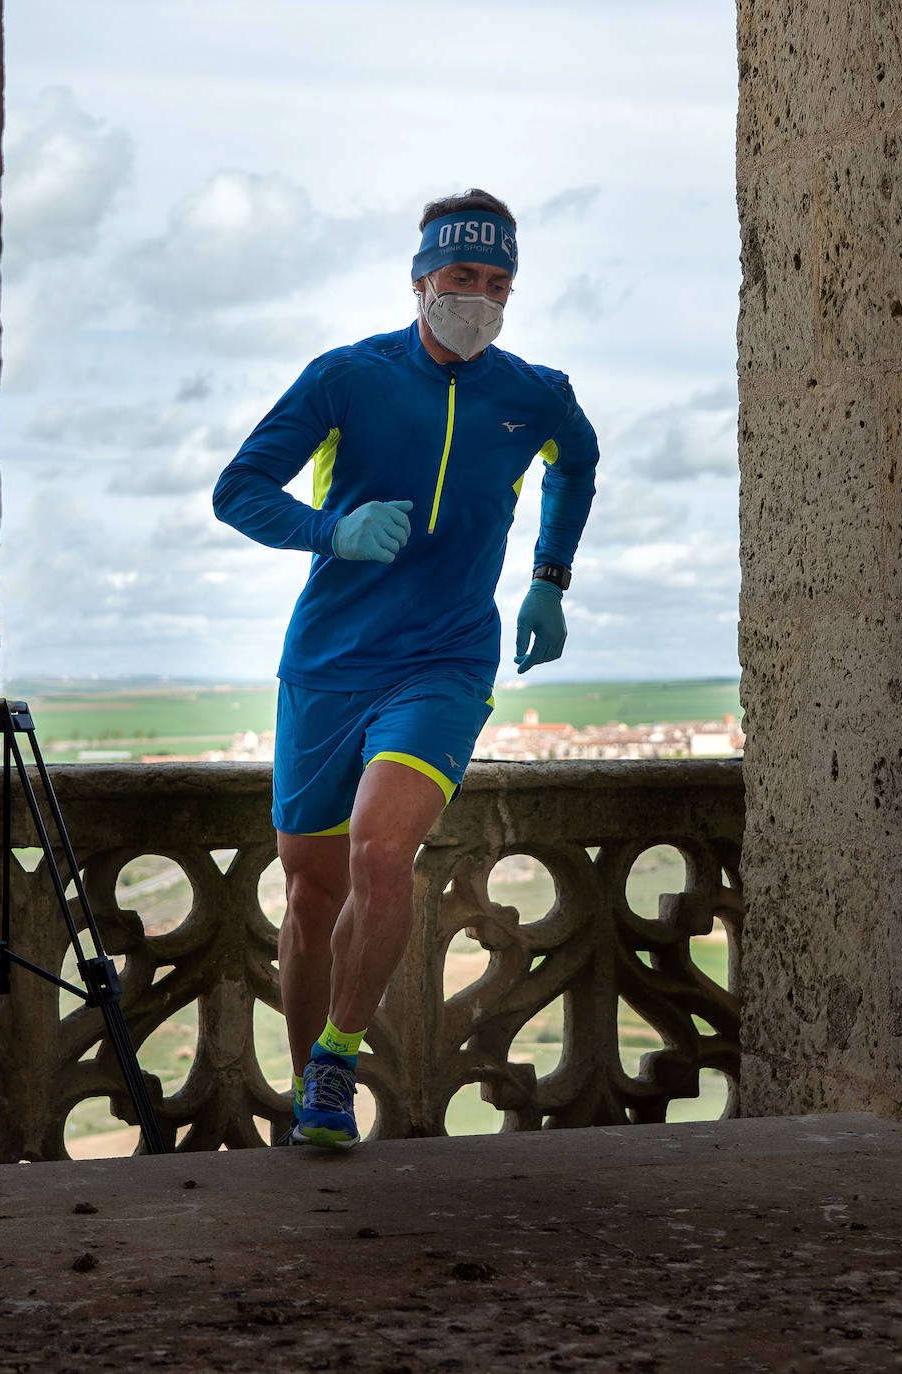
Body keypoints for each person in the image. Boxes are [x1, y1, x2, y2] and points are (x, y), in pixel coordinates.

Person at [212, 188, 598, 1149]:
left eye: (498, 281)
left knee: (382, 852)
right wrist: (328, 531)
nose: (480, 295)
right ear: (421, 278)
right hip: (329, 663)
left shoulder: (533, 393)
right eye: (462, 277)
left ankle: (337, 1061)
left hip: (445, 660)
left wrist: (549, 579)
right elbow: (238, 490)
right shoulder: (347, 377)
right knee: (309, 894)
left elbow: (577, 465)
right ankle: (312, 1095)